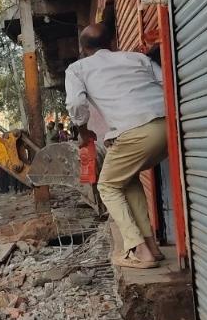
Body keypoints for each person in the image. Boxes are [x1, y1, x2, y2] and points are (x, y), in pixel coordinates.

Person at [64, 23, 167, 268]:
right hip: (168, 127)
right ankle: (151, 246)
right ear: (113, 42)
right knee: (127, 179)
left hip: (137, 132)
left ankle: (138, 251)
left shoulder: (77, 69)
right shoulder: (138, 58)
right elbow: (165, 83)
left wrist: (83, 131)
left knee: (107, 186)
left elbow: (76, 105)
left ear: (83, 48)